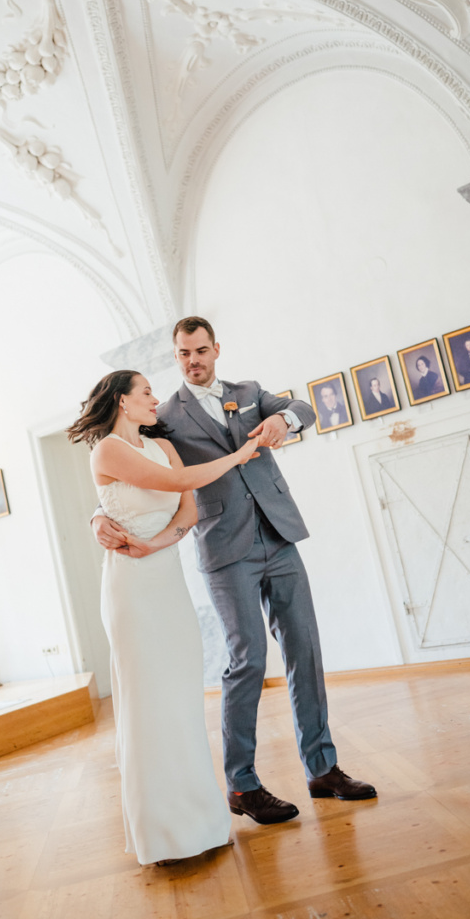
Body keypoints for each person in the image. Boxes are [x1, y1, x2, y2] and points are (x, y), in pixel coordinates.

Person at [92, 317, 376, 826]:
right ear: (176, 356)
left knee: (305, 648)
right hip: (225, 548)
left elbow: (303, 407)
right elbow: (126, 467)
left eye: (200, 350)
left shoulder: (248, 393)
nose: (193, 361)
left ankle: (323, 769)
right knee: (248, 659)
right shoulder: (164, 415)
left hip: (279, 535)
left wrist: (284, 421)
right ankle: (242, 784)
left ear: (216, 349)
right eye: (184, 354)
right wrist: (98, 514)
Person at [68, 369, 259, 866]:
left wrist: (155, 544)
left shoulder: (164, 446)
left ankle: (203, 823)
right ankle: (162, 835)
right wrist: (238, 456)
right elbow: (176, 482)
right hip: (131, 589)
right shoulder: (107, 450)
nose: (155, 399)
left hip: (167, 581)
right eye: (146, 392)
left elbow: (188, 513)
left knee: (180, 699)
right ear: (121, 401)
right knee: (148, 702)